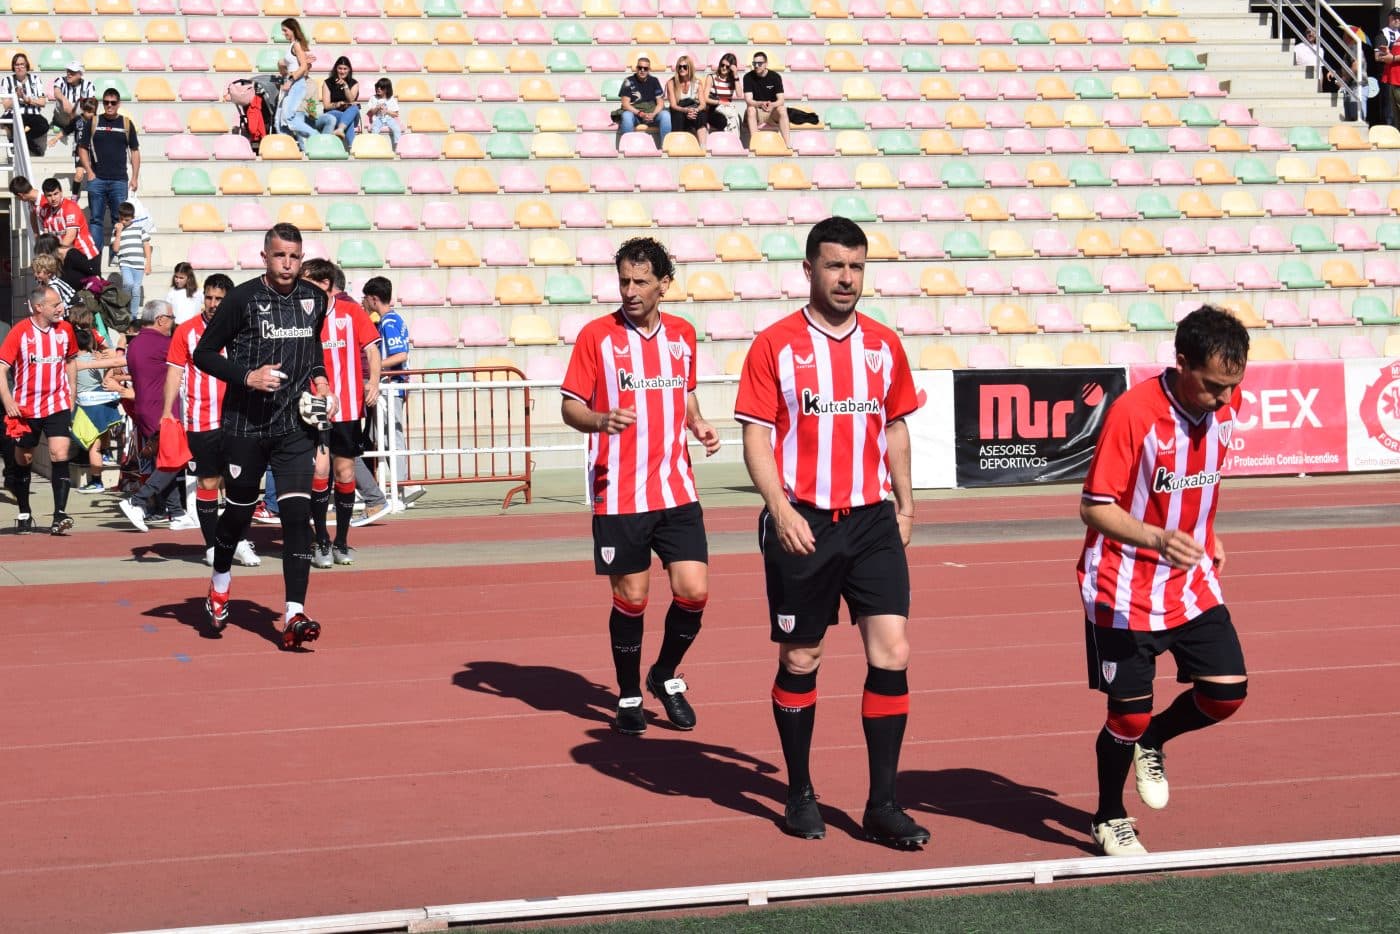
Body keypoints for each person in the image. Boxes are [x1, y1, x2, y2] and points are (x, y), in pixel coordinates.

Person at [734, 217, 927, 847]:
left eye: (857, 267)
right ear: (810, 270)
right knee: (802, 657)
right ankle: (799, 792)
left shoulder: (883, 344)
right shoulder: (776, 344)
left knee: (891, 653)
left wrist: (906, 502)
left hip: (872, 520)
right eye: (836, 266)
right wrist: (780, 509)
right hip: (804, 523)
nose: (847, 278)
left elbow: (895, 426)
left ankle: (882, 804)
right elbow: (757, 434)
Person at [1078, 305, 1251, 857]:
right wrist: (1157, 538)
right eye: (1214, 385)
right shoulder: (1135, 414)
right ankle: (1108, 816)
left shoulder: (1226, 401)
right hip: (1123, 586)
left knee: (1226, 694)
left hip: (1189, 579)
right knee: (1125, 713)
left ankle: (1153, 739)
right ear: (1181, 364)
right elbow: (1092, 507)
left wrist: (1208, 532)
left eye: (1233, 385)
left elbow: (1201, 484)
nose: (1225, 398)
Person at [561, 237, 721, 735]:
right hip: (620, 493)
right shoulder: (597, 337)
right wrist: (600, 419)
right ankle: (629, 694)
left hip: (676, 488)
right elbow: (569, 406)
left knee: (694, 591)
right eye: (624, 281)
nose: (630, 291)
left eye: (641, 282)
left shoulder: (683, 335)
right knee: (632, 600)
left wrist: (697, 424)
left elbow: (686, 394)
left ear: (664, 285)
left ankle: (664, 674)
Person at [193, 222, 333, 650]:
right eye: (279, 255)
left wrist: (322, 380)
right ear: (265, 257)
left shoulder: (315, 298)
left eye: (294, 256)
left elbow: (312, 351)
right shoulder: (242, 299)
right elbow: (202, 354)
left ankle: (294, 613)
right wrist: (247, 376)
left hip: (293, 427)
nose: (287, 263)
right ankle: (219, 584)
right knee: (236, 515)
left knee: (297, 516)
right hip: (244, 425)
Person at [162, 273, 260, 567]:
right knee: (208, 480)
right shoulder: (186, 332)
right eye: (209, 297)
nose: (213, 304)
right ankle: (211, 546)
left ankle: (239, 541)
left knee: (241, 483)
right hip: (200, 418)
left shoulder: (243, 329)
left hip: (238, 418)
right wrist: (168, 410)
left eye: (220, 299)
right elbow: (175, 371)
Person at [300, 258, 381, 567]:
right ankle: (320, 539)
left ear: (325, 284)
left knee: (345, 472)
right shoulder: (302, 314)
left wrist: (372, 381)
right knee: (319, 472)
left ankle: (342, 541)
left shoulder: (351, 312)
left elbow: (372, 348)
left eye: (309, 282)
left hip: (347, 408)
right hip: (314, 409)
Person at [0, 285, 79, 534]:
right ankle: (24, 511)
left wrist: (72, 393)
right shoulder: (20, 332)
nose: (61, 308)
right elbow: (1, 368)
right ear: (38, 307)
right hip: (25, 408)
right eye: (55, 305)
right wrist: (8, 401)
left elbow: (71, 361)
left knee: (60, 453)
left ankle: (59, 515)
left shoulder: (65, 330)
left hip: (57, 404)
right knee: (24, 459)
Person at [117, 300, 196, 532]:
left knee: (167, 460)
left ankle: (177, 512)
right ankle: (138, 501)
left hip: (143, 408)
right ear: (161, 319)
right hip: (162, 410)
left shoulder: (137, 343)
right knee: (175, 460)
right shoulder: (163, 344)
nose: (173, 323)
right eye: (171, 318)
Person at [362, 275, 423, 513]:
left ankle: (402, 488)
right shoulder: (391, 320)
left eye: (366, 298)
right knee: (384, 437)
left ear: (374, 298)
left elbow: (400, 355)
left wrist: (375, 367)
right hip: (391, 386)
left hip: (392, 386)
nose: (364, 302)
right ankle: (400, 487)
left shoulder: (389, 322)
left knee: (392, 438)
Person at [82, 88, 141, 260]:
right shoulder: (93, 122)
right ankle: (94, 257)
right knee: (96, 220)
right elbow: (82, 148)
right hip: (97, 179)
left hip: (119, 180)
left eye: (113, 102)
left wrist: (135, 177)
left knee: (120, 218)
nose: (109, 105)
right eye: (106, 102)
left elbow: (135, 151)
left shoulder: (126, 124)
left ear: (118, 104)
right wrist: (89, 171)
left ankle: (116, 254)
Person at [37, 177, 101, 279]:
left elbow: (70, 237)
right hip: (65, 258)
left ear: (61, 192)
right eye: (49, 195)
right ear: (45, 196)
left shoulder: (70, 207)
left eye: (56, 194)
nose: (53, 198)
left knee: (91, 291)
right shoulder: (45, 211)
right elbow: (47, 238)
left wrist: (54, 254)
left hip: (86, 256)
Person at [1, 53, 50, 156]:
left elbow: (42, 102)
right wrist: (16, 96)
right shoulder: (6, 81)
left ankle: (20, 142)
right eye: (17, 64)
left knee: (44, 125)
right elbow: (6, 105)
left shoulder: (35, 80)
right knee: (10, 122)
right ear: (13, 67)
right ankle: (32, 146)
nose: (19, 67)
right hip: (14, 112)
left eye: (22, 64)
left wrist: (28, 100)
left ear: (26, 65)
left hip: (32, 113)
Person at [112, 202, 153, 322]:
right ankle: (124, 309)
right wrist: (118, 232)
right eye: (122, 219)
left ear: (133, 218)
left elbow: (146, 246)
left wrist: (148, 264)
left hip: (139, 265)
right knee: (128, 284)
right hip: (125, 263)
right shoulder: (118, 230)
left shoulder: (140, 229)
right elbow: (115, 249)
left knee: (135, 290)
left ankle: (133, 315)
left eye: (127, 219)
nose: (124, 222)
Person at [742, 51, 790, 149]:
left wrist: (772, 105)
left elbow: (781, 100)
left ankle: (787, 145)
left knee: (782, 109)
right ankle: (755, 144)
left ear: (766, 64)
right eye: (754, 63)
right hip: (757, 112)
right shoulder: (748, 77)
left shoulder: (775, 77)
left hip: (771, 112)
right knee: (750, 109)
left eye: (759, 63)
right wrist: (760, 103)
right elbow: (749, 100)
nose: (756, 66)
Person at [618, 57, 671, 144]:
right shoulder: (628, 81)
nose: (642, 70)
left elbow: (660, 104)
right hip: (635, 115)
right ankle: (626, 146)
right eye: (640, 67)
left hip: (651, 114)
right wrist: (640, 114)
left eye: (645, 68)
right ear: (636, 68)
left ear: (649, 69)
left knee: (665, 115)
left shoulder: (654, 81)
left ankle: (665, 147)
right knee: (626, 116)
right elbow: (625, 104)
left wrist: (653, 114)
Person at [276, 18, 314, 135]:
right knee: (278, 120)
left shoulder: (296, 45)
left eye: (285, 30)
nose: (284, 33)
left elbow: (303, 68)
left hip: (296, 84)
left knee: (289, 118)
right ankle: (286, 146)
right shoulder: (292, 45)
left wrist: (290, 81)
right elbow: (289, 65)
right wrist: (280, 64)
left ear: (293, 30)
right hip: (291, 83)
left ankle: (315, 135)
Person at [49, 62, 94, 148]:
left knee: (85, 109)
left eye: (73, 72)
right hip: (62, 116)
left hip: (77, 118)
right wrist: (64, 100)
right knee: (61, 102)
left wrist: (74, 110)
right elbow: (56, 92)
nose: (69, 74)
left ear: (80, 74)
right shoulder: (60, 80)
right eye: (68, 71)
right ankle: (61, 125)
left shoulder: (88, 85)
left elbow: (90, 106)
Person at [666, 55, 708, 145]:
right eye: (679, 67)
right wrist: (686, 110)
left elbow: (703, 104)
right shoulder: (671, 83)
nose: (682, 69)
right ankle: (677, 145)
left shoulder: (697, 82)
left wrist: (695, 110)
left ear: (690, 68)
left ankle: (703, 148)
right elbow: (673, 105)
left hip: (692, 109)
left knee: (702, 114)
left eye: (685, 67)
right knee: (678, 115)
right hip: (679, 109)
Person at [320, 56, 360, 147]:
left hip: (350, 113)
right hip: (333, 113)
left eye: (345, 69)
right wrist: (337, 104)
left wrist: (346, 86)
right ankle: (353, 147)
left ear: (349, 70)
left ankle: (340, 129)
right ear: (336, 68)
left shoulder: (354, 83)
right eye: (340, 68)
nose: (342, 71)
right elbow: (326, 106)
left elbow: (351, 100)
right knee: (347, 119)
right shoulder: (328, 83)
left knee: (354, 108)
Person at [703, 52, 742, 136]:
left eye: (727, 67)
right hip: (713, 109)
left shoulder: (732, 80)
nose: (724, 68)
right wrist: (720, 102)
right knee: (723, 121)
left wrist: (735, 74)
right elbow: (705, 98)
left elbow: (739, 94)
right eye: (722, 65)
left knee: (738, 119)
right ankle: (726, 142)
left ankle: (734, 142)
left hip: (727, 110)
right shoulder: (711, 77)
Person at [364, 78, 402, 150]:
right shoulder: (373, 98)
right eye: (377, 87)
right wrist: (377, 108)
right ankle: (375, 146)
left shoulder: (391, 99)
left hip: (389, 118)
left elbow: (396, 114)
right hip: (378, 118)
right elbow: (372, 112)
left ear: (387, 89)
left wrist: (386, 111)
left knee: (397, 129)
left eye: (381, 87)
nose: (379, 89)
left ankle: (398, 146)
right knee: (375, 129)